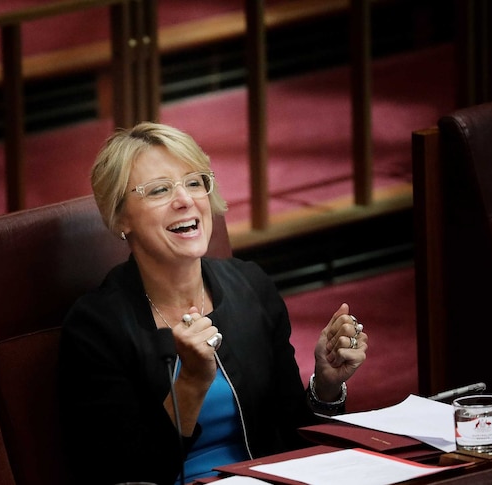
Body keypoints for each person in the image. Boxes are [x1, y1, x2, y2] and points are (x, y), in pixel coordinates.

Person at [57, 122, 369, 485]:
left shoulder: (250, 286)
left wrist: (327, 387)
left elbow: (295, 442)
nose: (185, 200)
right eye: (159, 190)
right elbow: (127, 474)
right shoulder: (96, 327)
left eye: (194, 182)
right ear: (120, 216)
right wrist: (190, 383)